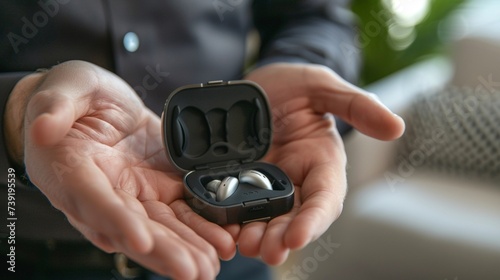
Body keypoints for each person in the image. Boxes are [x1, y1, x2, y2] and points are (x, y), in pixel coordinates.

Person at [0, 1, 404, 279]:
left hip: (231, 254)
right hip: (24, 250)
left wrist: (302, 65)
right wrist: (15, 108)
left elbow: (316, 16)